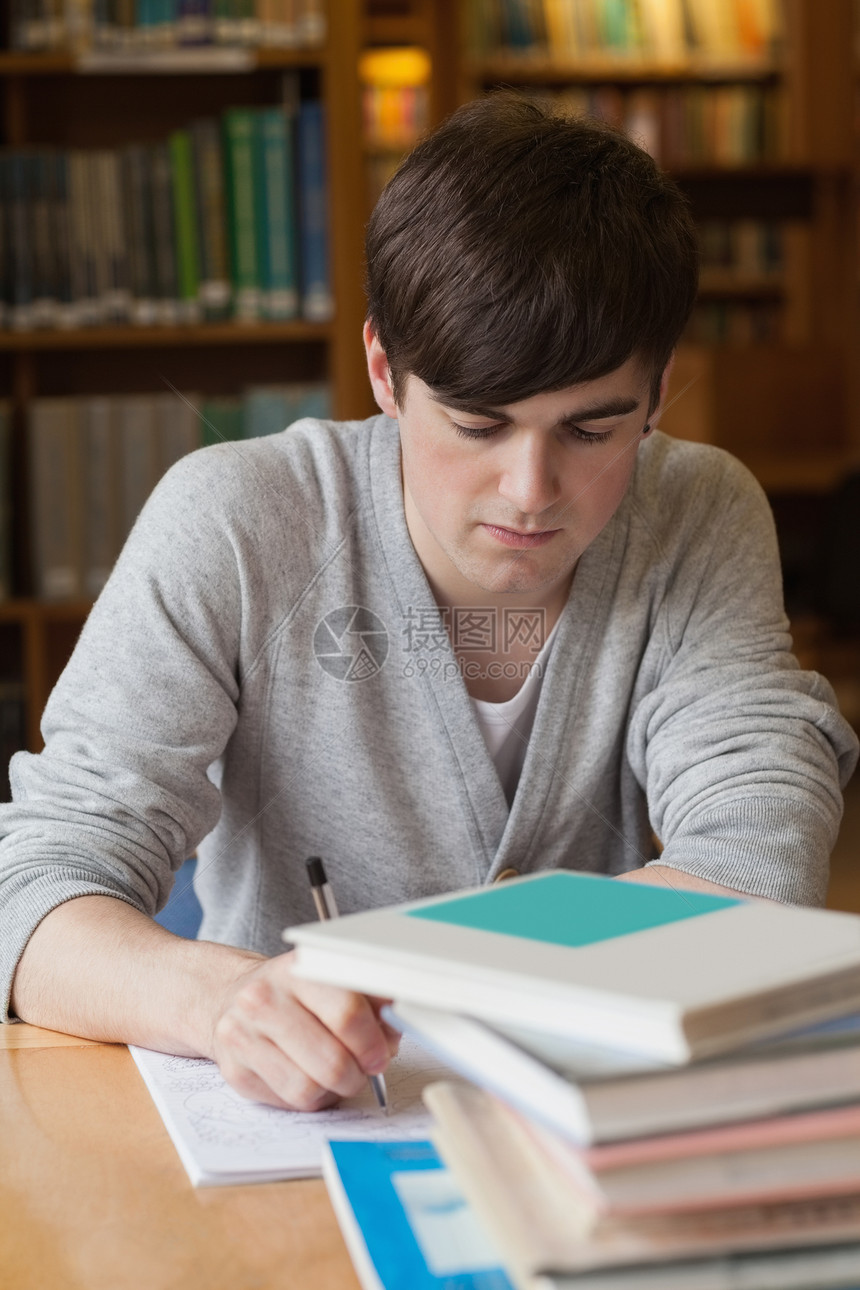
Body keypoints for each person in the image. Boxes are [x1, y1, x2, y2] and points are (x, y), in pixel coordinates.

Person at [1, 95, 856, 1112]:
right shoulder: (236, 520)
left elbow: (758, 860)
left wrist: (418, 976)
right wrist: (221, 999)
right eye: (476, 423)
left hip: (579, 1131)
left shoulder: (696, 511)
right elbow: (36, 888)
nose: (529, 490)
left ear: (661, 387)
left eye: (592, 429)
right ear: (383, 372)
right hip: (296, 1137)